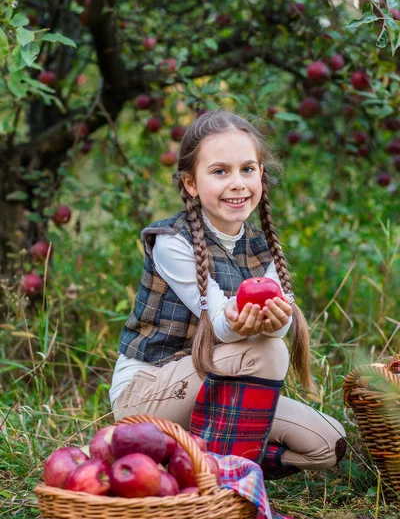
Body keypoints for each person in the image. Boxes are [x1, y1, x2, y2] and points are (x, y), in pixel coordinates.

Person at [110, 110, 346, 478]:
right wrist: (259, 329)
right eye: (220, 172)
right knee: (267, 349)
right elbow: (222, 325)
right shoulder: (172, 241)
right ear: (190, 183)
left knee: (327, 444)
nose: (237, 183)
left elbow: (274, 327)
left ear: (261, 176)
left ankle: (194, 457)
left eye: (247, 169)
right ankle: (220, 479)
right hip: (150, 391)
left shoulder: (263, 246)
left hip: (224, 385)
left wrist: (276, 322)